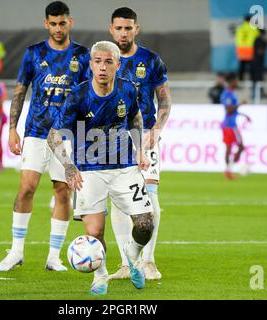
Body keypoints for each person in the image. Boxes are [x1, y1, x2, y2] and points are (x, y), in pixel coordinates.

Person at [47, 41, 154, 295]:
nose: (102, 67)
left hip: (125, 166)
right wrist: (69, 167)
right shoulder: (78, 95)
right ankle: (101, 275)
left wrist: (139, 149)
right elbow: (54, 135)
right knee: (95, 232)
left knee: (145, 225)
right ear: (90, 64)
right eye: (97, 61)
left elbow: (135, 118)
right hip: (89, 170)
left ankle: (132, 254)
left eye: (108, 62)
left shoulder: (127, 89)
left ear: (118, 64)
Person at [0, 1, 90, 272]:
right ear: (46, 24)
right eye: (53, 23)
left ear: (69, 22)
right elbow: (20, 90)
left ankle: (53, 257)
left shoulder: (82, 56)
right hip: (36, 131)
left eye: (62, 23)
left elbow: (85, 97)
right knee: (26, 188)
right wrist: (12, 128)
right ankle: (16, 251)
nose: (58, 28)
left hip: (67, 135)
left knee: (62, 192)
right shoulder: (33, 53)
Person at [106, 7, 171, 281]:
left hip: (145, 137)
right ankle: (125, 262)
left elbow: (164, 101)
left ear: (136, 29)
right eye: (119, 28)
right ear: (111, 29)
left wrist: (157, 128)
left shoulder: (151, 60)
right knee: (120, 202)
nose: (123, 33)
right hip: (112, 138)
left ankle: (149, 260)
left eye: (128, 28)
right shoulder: (103, 59)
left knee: (151, 197)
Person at [220, 73, 251, 180]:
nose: (237, 82)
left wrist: (244, 115)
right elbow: (229, 110)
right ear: (232, 81)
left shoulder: (230, 93)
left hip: (228, 125)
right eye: (236, 80)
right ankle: (229, 170)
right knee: (239, 146)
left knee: (230, 147)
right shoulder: (227, 94)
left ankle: (228, 171)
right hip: (230, 125)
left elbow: (233, 111)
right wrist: (240, 104)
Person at [235, 14, 260, 81]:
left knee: (242, 66)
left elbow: (237, 36)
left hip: (240, 49)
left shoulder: (240, 28)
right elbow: (258, 34)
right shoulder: (253, 27)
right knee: (252, 66)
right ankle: (252, 79)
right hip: (249, 49)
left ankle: (240, 79)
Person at [251, 29, 267, 101]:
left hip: (259, 63)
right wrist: (265, 44)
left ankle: (259, 92)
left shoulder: (260, 41)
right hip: (256, 63)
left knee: (259, 79)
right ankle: (254, 94)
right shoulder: (258, 41)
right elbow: (259, 51)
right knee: (256, 79)